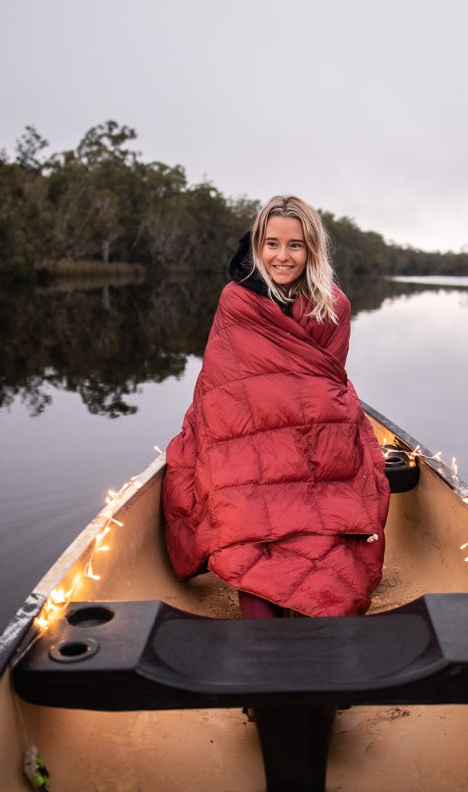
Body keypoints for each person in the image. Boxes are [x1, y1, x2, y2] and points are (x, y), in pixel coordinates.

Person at [162, 195, 391, 618]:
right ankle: (264, 624)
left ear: (312, 250)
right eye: (272, 244)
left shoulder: (333, 306)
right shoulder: (237, 300)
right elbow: (222, 387)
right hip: (243, 428)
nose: (282, 257)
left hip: (313, 432)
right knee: (245, 503)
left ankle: (313, 607)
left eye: (295, 245)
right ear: (257, 246)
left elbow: (327, 384)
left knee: (331, 503)